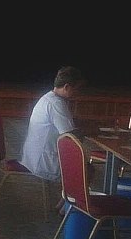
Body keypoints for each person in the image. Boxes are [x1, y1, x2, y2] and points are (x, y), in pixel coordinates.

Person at [20, 66, 89, 211]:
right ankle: (68, 210)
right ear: (67, 87)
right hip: (43, 160)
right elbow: (70, 137)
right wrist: (91, 131)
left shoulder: (48, 97)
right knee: (87, 170)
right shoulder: (56, 103)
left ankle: (64, 204)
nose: (78, 93)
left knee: (82, 165)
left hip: (32, 155)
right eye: (77, 89)